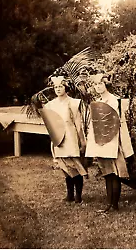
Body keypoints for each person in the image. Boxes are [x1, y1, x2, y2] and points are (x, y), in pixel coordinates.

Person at [85, 73, 134, 212]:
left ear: (106, 85)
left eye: (100, 84)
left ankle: (114, 204)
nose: (98, 87)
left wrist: (123, 145)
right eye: (96, 84)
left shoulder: (114, 101)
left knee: (115, 173)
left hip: (113, 140)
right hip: (101, 141)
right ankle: (109, 204)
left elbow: (119, 123)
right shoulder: (97, 102)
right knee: (107, 173)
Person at [43, 75, 87, 203]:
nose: (58, 89)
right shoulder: (50, 105)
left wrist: (82, 140)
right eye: (56, 87)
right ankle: (70, 195)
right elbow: (50, 124)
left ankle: (78, 195)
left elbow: (78, 124)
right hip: (59, 138)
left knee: (75, 165)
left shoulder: (73, 103)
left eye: (60, 86)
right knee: (64, 166)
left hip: (71, 136)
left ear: (66, 87)